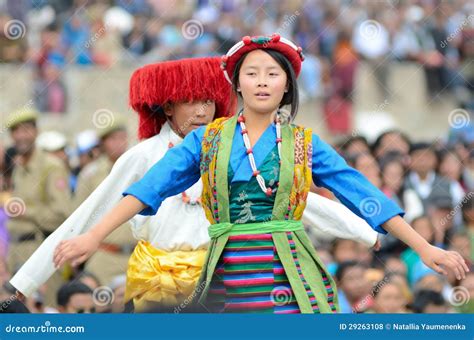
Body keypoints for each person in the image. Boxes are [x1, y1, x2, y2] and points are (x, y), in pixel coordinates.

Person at [53, 34, 468, 314]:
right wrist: (92, 235)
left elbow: (363, 195)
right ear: (237, 84)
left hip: (289, 273)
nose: (262, 82)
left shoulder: (304, 143)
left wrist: (425, 247)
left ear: (287, 85)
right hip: (224, 272)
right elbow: (146, 191)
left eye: (273, 74)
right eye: (251, 74)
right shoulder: (207, 141)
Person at [11, 56, 381, 313]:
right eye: (189, 101)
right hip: (155, 282)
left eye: (207, 99)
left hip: (219, 279)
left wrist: (364, 231)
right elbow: (90, 212)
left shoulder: (232, 150)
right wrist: (26, 282)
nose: (202, 110)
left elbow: (295, 202)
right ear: (168, 107)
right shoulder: (142, 156)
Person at [5, 110, 71, 306]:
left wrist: (26, 211)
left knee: (46, 316)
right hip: (16, 251)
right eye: (15, 131)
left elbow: (61, 214)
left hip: (40, 251)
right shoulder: (18, 166)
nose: (20, 136)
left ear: (35, 132)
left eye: (25, 130)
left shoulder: (51, 166)